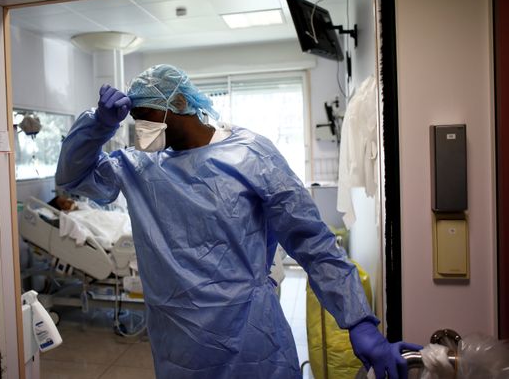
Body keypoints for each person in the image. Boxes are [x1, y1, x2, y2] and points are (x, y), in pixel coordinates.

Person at [55, 64, 421, 379]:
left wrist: (359, 321)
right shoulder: (139, 167)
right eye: (135, 121)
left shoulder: (249, 154)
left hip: (248, 335)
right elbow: (73, 179)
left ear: (179, 104)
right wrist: (97, 126)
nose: (141, 129)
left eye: (147, 116)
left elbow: (311, 241)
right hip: (177, 343)